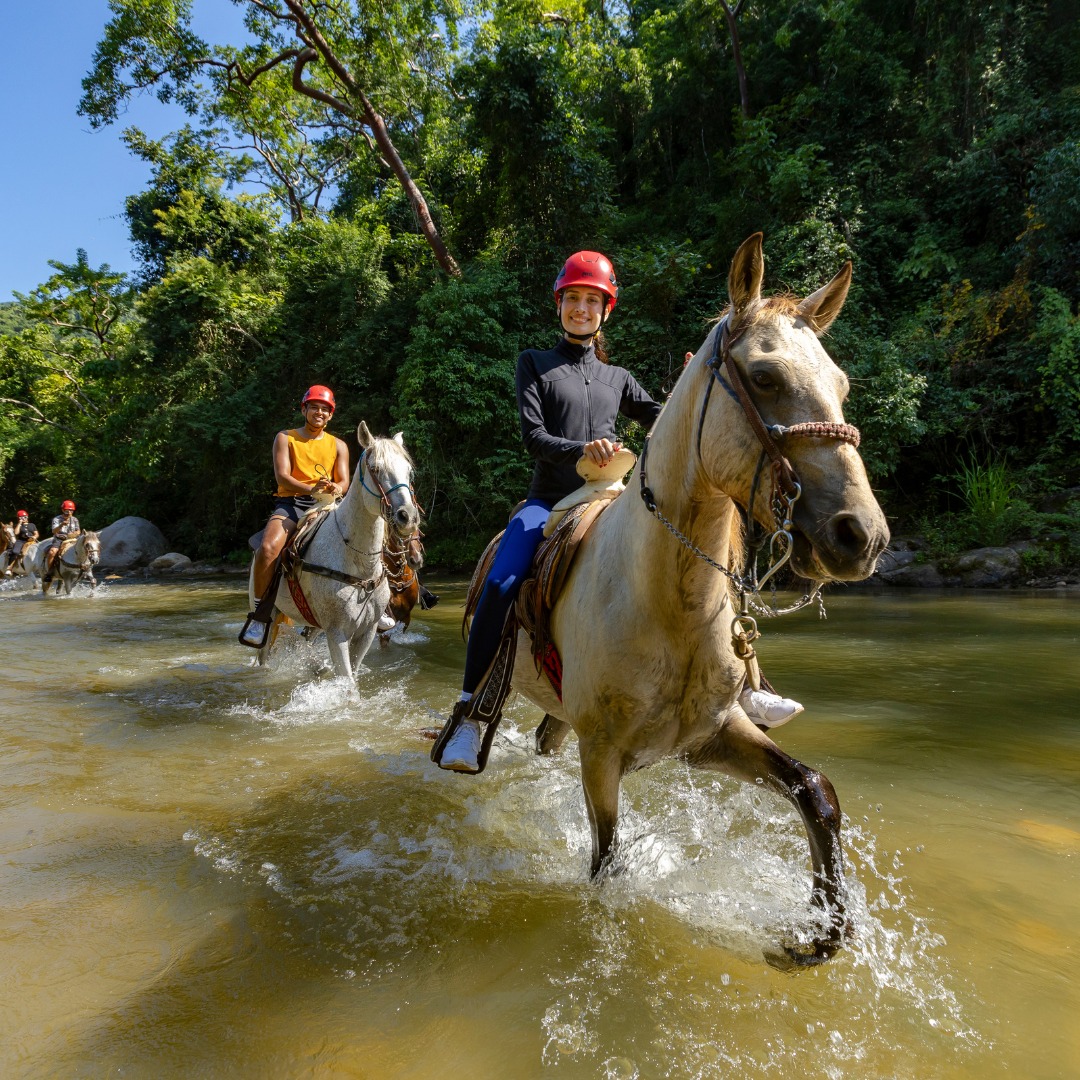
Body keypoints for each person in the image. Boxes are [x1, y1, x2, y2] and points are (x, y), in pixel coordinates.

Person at [432, 251, 803, 774]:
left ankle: (750, 685)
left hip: (615, 495)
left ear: (605, 311)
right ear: (559, 305)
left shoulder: (618, 378)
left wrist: (696, 381)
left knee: (710, 556)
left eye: (592, 301)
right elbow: (533, 437)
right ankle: (471, 713)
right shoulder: (534, 363)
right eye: (573, 299)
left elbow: (668, 419)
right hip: (549, 502)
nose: (581, 309)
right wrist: (583, 449)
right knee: (499, 583)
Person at [239, 385, 351, 648]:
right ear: (304, 409)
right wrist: (311, 488)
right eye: (315, 407)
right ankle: (260, 615)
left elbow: (344, 481)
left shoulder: (339, 445)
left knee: (369, 534)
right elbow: (283, 477)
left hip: (328, 505)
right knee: (267, 548)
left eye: (325, 409)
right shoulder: (285, 438)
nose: (320, 412)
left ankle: (379, 606)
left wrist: (337, 487)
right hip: (292, 504)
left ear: (331, 415)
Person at [42, 500, 80, 588]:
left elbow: (78, 531)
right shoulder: (57, 519)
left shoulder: (74, 519)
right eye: (67, 510)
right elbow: (54, 531)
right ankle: (49, 572)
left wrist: (75, 534)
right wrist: (61, 525)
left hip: (72, 539)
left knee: (83, 548)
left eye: (71, 511)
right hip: (59, 539)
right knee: (52, 552)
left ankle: (84, 568)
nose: (69, 512)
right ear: (63, 510)